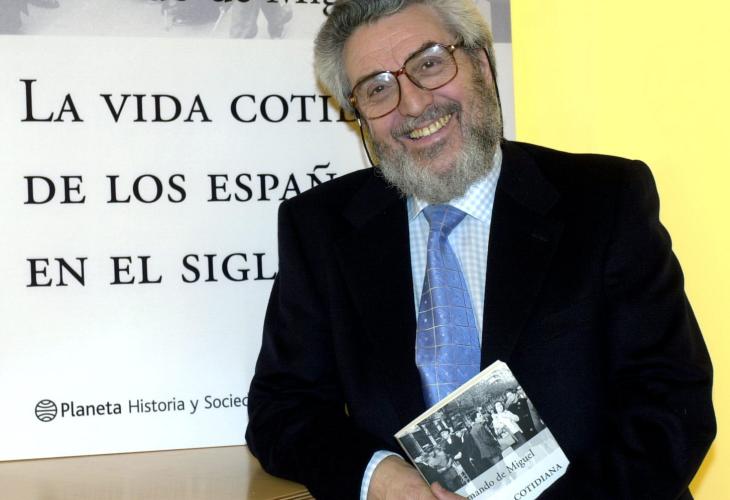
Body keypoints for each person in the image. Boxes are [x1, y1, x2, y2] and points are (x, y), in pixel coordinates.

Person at [245, 1, 716, 499]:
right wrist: (380, 478)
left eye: (429, 63)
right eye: (377, 88)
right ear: (359, 115)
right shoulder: (320, 228)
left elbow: (671, 405)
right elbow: (282, 408)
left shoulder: (604, 199)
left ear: (483, 65)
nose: (412, 104)